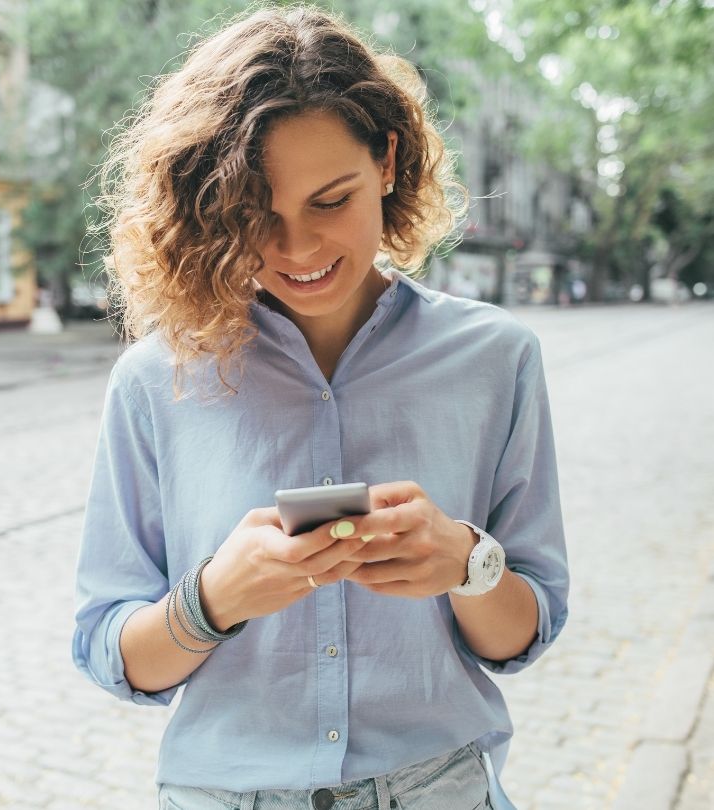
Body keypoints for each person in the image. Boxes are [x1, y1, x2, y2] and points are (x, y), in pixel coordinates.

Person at [72, 6, 569, 809]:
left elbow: (525, 631)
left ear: (387, 162)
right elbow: (110, 652)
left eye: (330, 200)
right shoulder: (155, 379)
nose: (297, 250)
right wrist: (215, 599)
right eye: (256, 217)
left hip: (438, 787)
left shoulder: (495, 358)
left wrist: (465, 562)